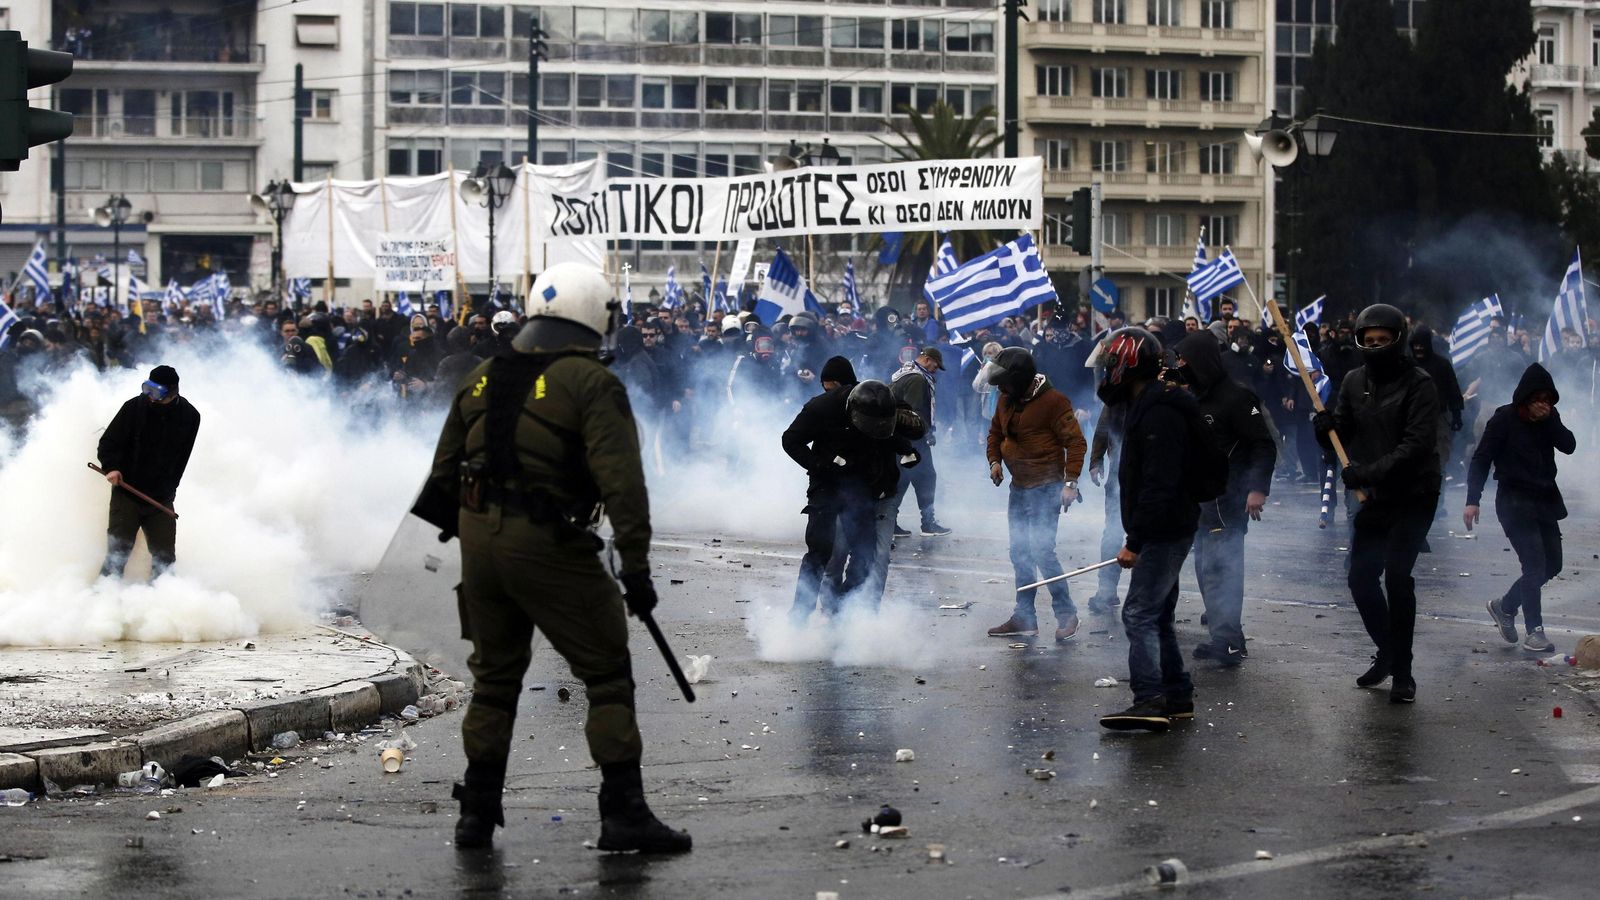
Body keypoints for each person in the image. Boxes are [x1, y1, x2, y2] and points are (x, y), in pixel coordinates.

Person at [424, 262, 690, 854]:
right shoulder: (591, 382)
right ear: (591, 314)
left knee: (495, 681)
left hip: (478, 543)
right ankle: (624, 814)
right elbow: (623, 485)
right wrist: (637, 568)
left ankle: (476, 815)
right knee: (607, 671)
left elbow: (443, 474)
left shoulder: (481, 377)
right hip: (546, 542)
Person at [1313, 303, 1440, 704]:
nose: (1376, 346)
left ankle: (1403, 672)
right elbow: (1343, 432)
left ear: (1398, 340)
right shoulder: (1354, 381)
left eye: (1383, 340)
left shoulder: (1420, 384)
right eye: (1369, 341)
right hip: (1376, 496)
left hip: (1414, 493)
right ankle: (1388, 650)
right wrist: (1324, 429)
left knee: (1398, 577)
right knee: (1360, 578)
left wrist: (1366, 473)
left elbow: (1416, 445)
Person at [1094, 328, 1203, 733]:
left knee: (1137, 613)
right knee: (1157, 615)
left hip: (1164, 528)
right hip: (1166, 525)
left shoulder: (1159, 412)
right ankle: (1177, 695)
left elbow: (1159, 483)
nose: (1107, 370)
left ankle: (1149, 699)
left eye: (1111, 362)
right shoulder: (1148, 403)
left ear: (1128, 364)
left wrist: (1135, 541)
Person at [783, 363, 924, 620]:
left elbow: (897, 432)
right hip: (826, 486)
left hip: (861, 488)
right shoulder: (821, 407)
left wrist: (906, 449)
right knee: (820, 552)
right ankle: (799, 617)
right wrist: (822, 464)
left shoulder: (880, 405)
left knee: (865, 555)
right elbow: (790, 440)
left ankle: (844, 614)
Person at [1172, 331, 1276, 664]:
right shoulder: (1192, 398)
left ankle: (1227, 642)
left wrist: (1257, 488)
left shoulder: (1237, 397)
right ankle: (1229, 636)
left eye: (1184, 359)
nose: (1180, 365)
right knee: (1205, 570)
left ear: (1200, 361)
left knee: (1222, 571)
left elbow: (1263, 445)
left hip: (1229, 500)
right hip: (1201, 502)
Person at [983, 347, 1088, 642]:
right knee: (1019, 552)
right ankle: (1024, 617)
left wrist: (1071, 483)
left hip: (1046, 487)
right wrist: (994, 461)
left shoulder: (1054, 401)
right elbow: (995, 433)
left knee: (1042, 551)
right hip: (1019, 487)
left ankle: (1067, 614)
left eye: (1005, 383)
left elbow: (1076, 443)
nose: (1001, 389)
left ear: (1021, 379)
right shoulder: (1006, 399)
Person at [1468, 363, 1575, 653]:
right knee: (1534, 565)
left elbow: (1569, 445)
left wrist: (1550, 421)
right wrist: (1472, 500)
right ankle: (1535, 631)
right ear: (1525, 398)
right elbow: (1481, 459)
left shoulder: (1550, 418)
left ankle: (1505, 606)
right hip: (1514, 501)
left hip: (1545, 500)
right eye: (1537, 398)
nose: (1542, 404)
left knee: (1553, 565)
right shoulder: (1504, 419)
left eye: (1547, 399)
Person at [97, 365, 202, 579]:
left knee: (165, 559)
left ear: (172, 392)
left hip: (161, 500)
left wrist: (170, 489)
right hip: (127, 493)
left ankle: (161, 597)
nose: (150, 396)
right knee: (117, 554)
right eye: (147, 389)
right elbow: (108, 443)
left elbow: (182, 457)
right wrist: (112, 467)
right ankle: (102, 595)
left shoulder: (190, 416)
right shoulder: (133, 408)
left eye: (156, 392)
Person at [890, 347, 951, 536]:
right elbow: (913, 412)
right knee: (927, 478)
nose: (935, 370)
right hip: (912, 438)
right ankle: (928, 523)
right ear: (927, 359)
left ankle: (889, 522)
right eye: (935, 365)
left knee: (902, 479)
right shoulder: (917, 379)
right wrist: (926, 433)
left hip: (899, 437)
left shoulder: (904, 373)